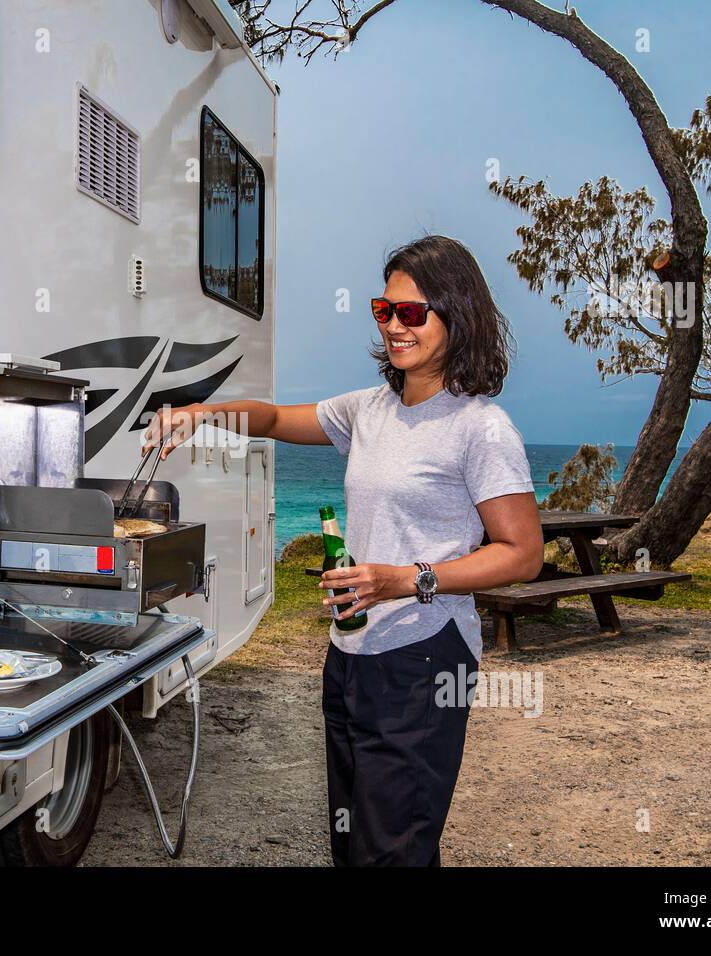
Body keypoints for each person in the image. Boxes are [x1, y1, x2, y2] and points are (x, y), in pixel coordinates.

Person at [141, 235, 544, 866]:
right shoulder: (370, 410)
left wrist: (406, 580)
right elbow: (273, 420)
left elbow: (522, 554)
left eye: (412, 313)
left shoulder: (480, 428)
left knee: (395, 850)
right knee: (353, 845)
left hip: (425, 657)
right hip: (351, 654)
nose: (394, 326)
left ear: (457, 315)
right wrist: (201, 413)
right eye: (384, 310)